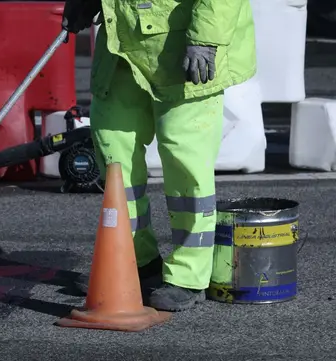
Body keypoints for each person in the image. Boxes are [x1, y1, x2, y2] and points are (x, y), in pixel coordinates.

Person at [62, 0, 257, 311]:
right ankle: (136, 261)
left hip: (185, 46)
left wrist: (205, 38)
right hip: (122, 47)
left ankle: (188, 274)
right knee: (113, 153)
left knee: (185, 160)